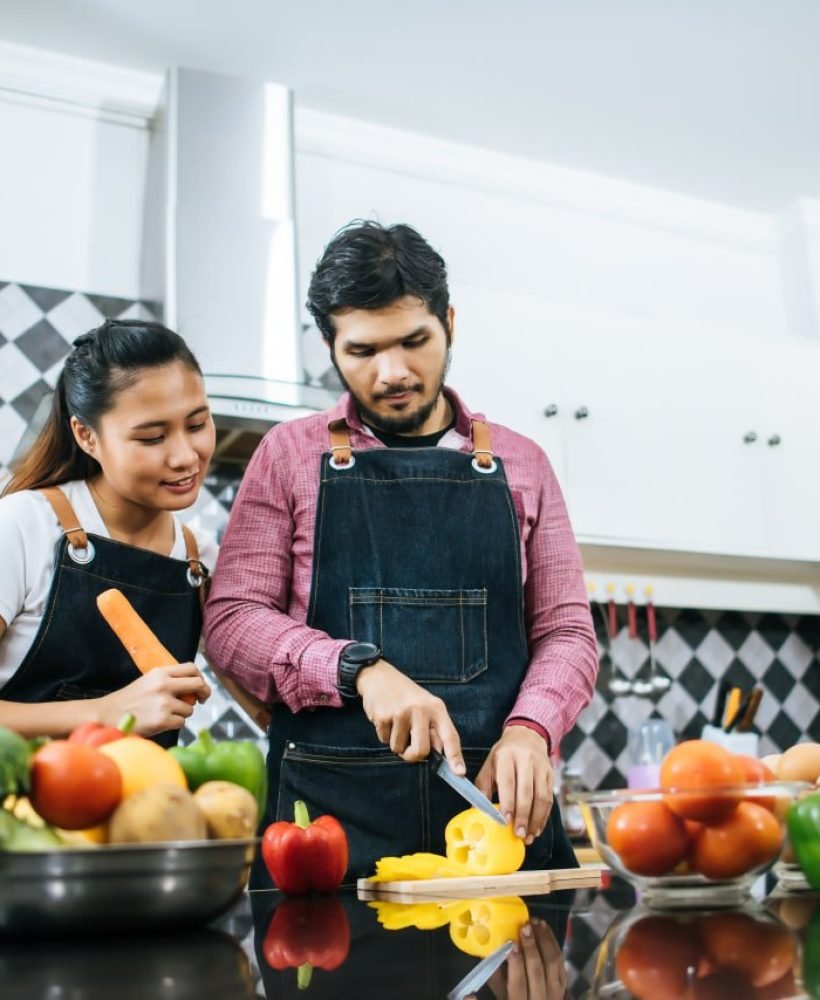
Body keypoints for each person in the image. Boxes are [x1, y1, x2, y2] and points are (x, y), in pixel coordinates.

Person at [204, 221, 598, 878]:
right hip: (327, 833)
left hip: (496, 825)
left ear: (448, 321)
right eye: (362, 350)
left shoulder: (524, 463)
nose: (392, 373)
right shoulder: (287, 455)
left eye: (414, 341)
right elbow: (231, 621)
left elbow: (567, 632)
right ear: (329, 346)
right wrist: (359, 670)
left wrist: (532, 727)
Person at [0, 319, 215, 746]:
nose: (185, 456)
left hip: (134, 808)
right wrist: (108, 712)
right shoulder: (24, 524)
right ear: (87, 436)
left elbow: (263, 697)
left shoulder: (199, 558)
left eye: (196, 425)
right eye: (153, 437)